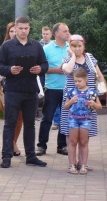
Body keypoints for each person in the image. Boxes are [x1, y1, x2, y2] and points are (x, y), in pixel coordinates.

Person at [0, 16, 49, 168]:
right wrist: (9, 70)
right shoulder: (7, 46)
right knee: (9, 124)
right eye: (20, 28)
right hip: (13, 90)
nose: (23, 31)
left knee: (30, 124)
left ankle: (31, 156)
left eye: (26, 28)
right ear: (16, 28)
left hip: (31, 91)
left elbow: (44, 64)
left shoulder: (36, 46)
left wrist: (40, 69)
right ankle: (6, 157)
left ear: (29, 29)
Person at [61, 34, 107, 171]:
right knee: (69, 131)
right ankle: (73, 162)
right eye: (74, 46)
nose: (77, 48)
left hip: (88, 99)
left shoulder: (90, 58)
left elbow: (99, 76)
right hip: (72, 99)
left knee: (86, 130)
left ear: (84, 46)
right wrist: (72, 56)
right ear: (70, 47)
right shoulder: (66, 59)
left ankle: (83, 162)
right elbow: (68, 70)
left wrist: (106, 92)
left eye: (79, 46)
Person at [36, 23, 70, 156]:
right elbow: (41, 67)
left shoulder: (71, 47)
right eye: (65, 31)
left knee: (65, 118)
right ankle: (41, 146)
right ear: (57, 33)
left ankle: (62, 146)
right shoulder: (47, 49)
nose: (68, 33)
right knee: (47, 118)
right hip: (52, 88)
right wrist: (57, 70)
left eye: (68, 31)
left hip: (69, 88)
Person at [64, 68, 102, 175]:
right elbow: (66, 106)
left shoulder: (91, 92)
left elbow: (99, 106)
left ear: (86, 79)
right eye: (75, 81)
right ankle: (72, 165)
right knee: (72, 142)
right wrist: (71, 101)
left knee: (84, 142)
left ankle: (83, 165)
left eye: (79, 81)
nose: (77, 83)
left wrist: (93, 104)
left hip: (86, 120)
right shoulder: (71, 92)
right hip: (73, 119)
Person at [3, 22, 22, 156]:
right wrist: (9, 70)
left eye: (16, 31)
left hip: (24, 86)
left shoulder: (27, 46)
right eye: (11, 31)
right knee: (10, 118)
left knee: (20, 117)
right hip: (8, 86)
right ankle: (9, 144)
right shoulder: (4, 47)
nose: (14, 34)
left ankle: (14, 142)